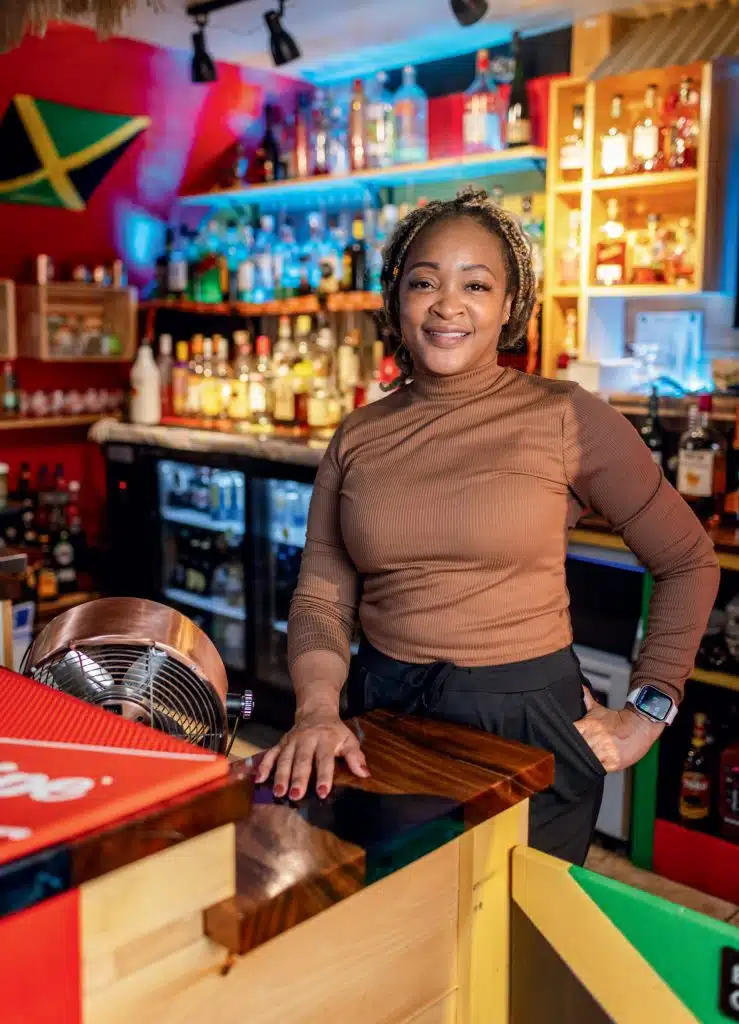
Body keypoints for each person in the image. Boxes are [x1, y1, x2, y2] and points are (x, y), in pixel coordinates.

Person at [255, 188, 720, 865]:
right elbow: (321, 597)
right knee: (398, 928)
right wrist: (319, 711)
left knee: (509, 938)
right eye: (424, 282)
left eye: (475, 284)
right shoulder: (358, 435)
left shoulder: (564, 416)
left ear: (508, 308)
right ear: (396, 299)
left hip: (525, 721)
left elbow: (687, 561)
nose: (447, 305)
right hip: (385, 715)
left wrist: (646, 714)